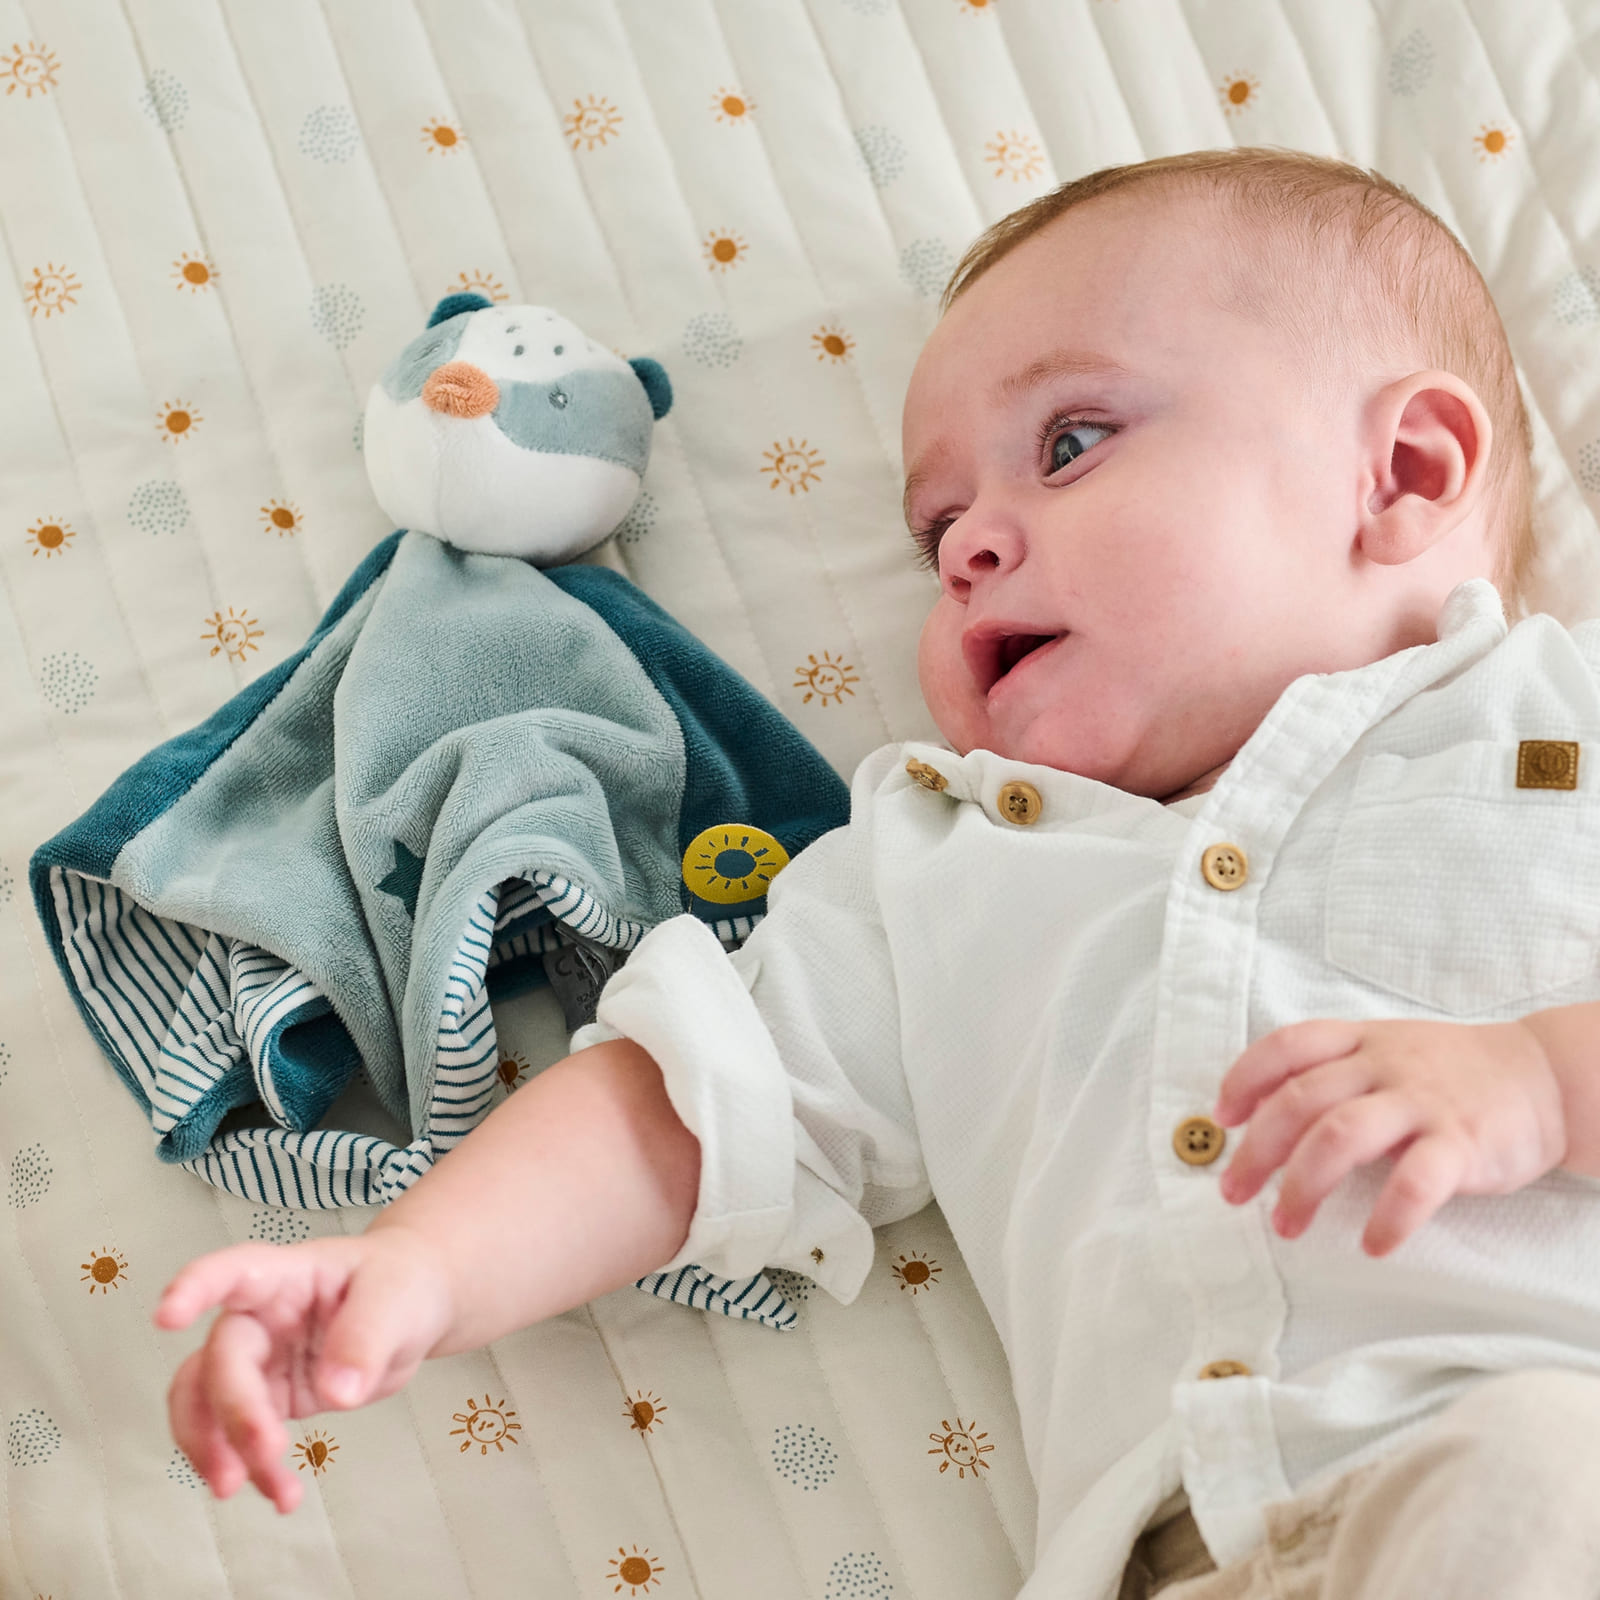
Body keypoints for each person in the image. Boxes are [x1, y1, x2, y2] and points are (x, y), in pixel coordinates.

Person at [155, 148, 1600, 1600]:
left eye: (1073, 441)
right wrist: (420, 1267)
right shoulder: (943, 864)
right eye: (933, 533)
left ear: (1404, 473)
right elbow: (679, 1101)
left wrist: (1543, 1083)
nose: (969, 543)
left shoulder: (1555, 726)